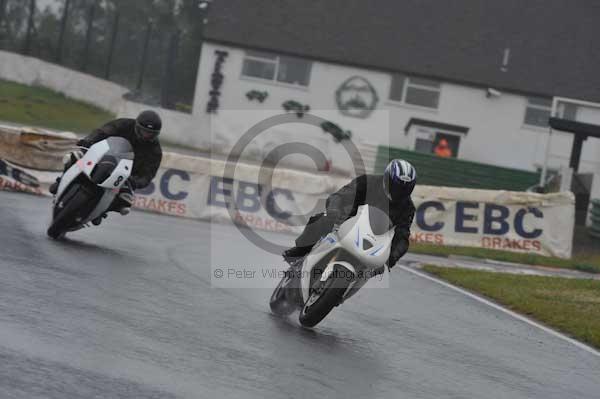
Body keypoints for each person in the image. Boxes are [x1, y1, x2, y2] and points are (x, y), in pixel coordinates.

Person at [282, 159, 417, 270]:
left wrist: (392, 258)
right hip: (347, 221)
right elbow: (342, 195)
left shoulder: (408, 208)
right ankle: (300, 251)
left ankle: (341, 293)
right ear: (387, 179)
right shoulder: (367, 182)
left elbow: (403, 235)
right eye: (395, 186)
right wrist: (334, 211)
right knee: (321, 219)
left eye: (403, 189)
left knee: (375, 268)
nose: (398, 192)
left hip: (374, 239)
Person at [49, 110, 163, 224]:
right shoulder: (123, 124)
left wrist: (136, 181)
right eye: (144, 131)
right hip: (104, 158)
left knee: (125, 203)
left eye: (151, 133)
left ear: (156, 134)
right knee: (74, 156)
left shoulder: (155, 151)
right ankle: (61, 181)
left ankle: (102, 211)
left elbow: (148, 175)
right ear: (137, 126)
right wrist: (88, 141)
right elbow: (102, 132)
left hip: (124, 176)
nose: (147, 135)